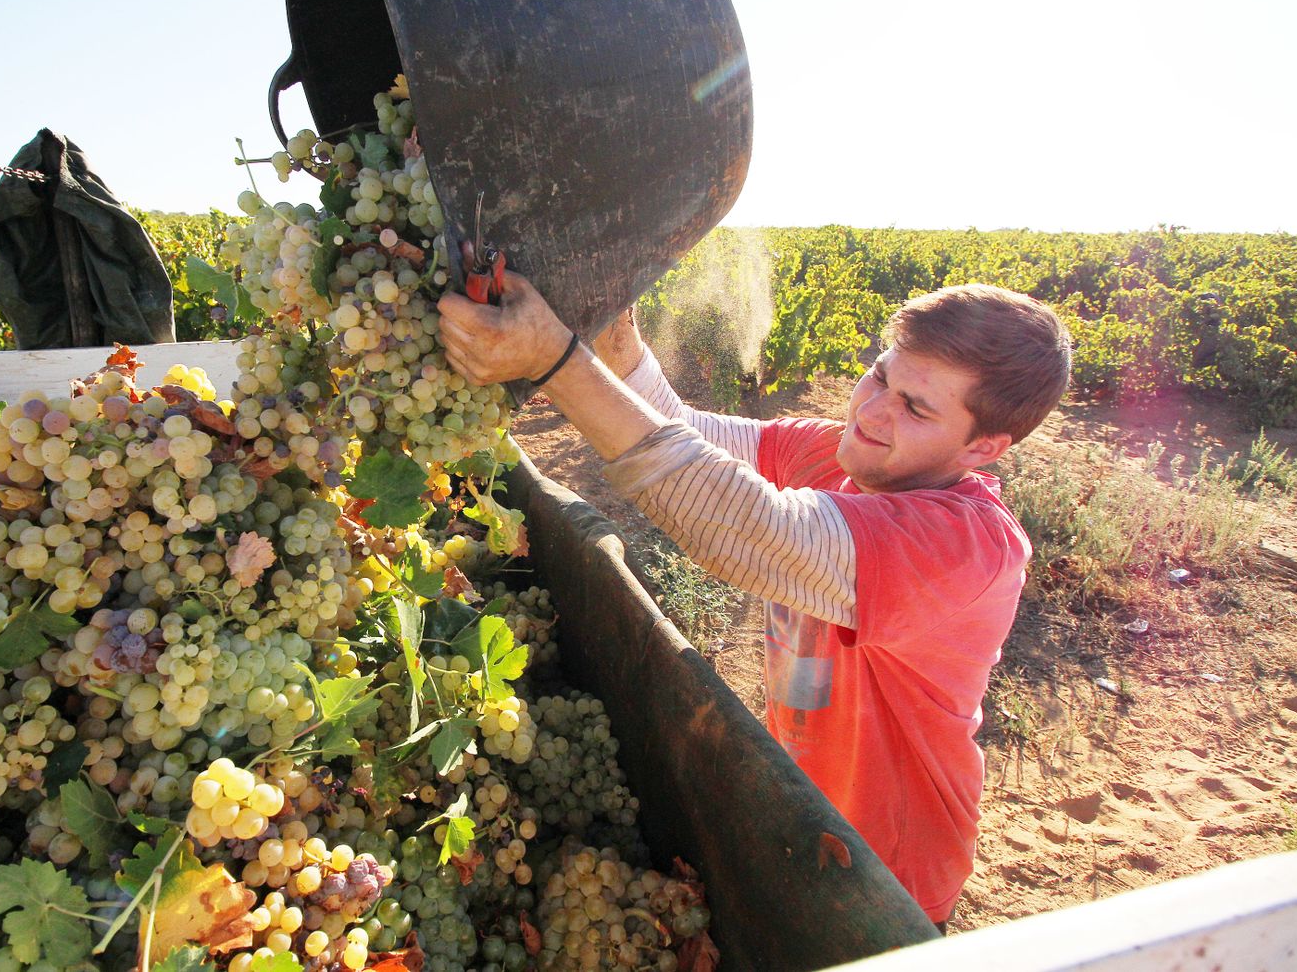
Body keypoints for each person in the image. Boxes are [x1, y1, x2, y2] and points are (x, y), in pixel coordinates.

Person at [437, 263, 1072, 926]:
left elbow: (748, 527)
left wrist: (556, 362)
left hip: (892, 877)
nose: (874, 409)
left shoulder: (968, 549)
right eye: (883, 374)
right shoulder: (842, 453)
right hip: (803, 814)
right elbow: (679, 427)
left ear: (984, 446)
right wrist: (612, 327)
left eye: (916, 407)